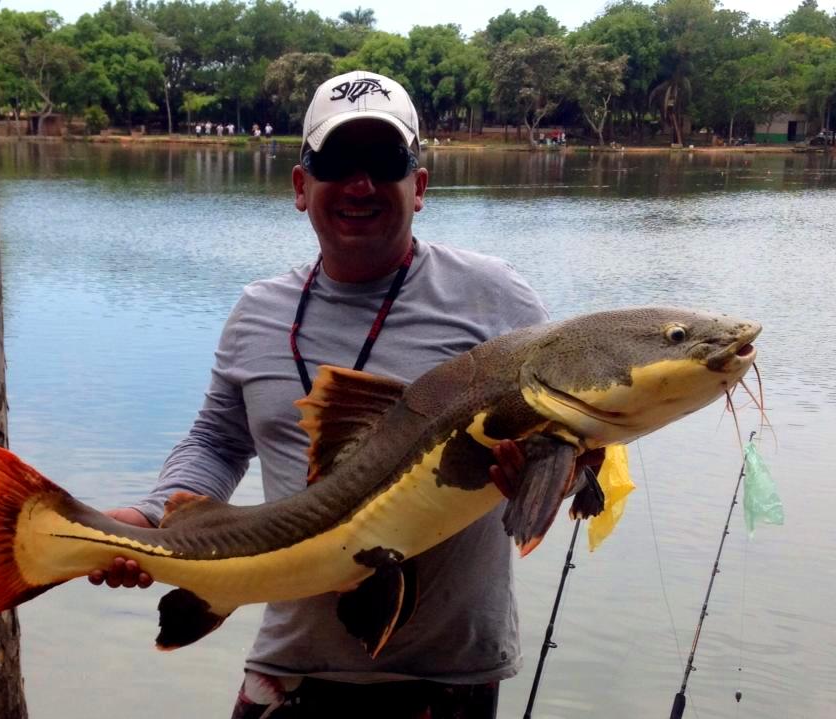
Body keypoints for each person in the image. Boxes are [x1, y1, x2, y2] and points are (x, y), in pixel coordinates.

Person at [91, 70, 549, 717]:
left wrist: (545, 476)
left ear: (418, 186)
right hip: (289, 672)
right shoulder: (259, 313)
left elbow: (568, 441)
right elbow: (218, 443)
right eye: (337, 162)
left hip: (449, 676)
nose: (361, 185)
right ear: (301, 187)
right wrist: (148, 517)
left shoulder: (495, 299)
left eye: (384, 162)